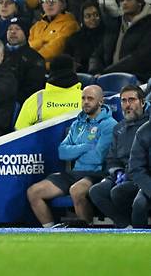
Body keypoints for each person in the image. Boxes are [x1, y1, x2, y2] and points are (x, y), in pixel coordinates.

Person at [27, 85, 116, 228]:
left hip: (97, 173)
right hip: (74, 173)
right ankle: (51, 232)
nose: (86, 102)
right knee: (34, 192)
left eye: (90, 98)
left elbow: (97, 157)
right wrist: (85, 147)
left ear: (100, 101)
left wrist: (76, 153)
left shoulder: (109, 125)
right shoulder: (76, 124)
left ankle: (86, 233)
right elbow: (63, 152)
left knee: (76, 190)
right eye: (83, 98)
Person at [89, 85, 148, 228]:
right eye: (124, 101)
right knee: (96, 191)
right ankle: (125, 227)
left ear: (142, 102)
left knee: (118, 192)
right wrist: (116, 172)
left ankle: (136, 229)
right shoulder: (118, 128)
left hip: (141, 174)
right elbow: (111, 159)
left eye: (132, 100)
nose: (127, 105)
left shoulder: (148, 126)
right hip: (122, 174)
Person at [15, 54, 82, 130]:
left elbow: (19, 131)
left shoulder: (35, 99)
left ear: (50, 72)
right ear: (74, 71)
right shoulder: (87, 98)